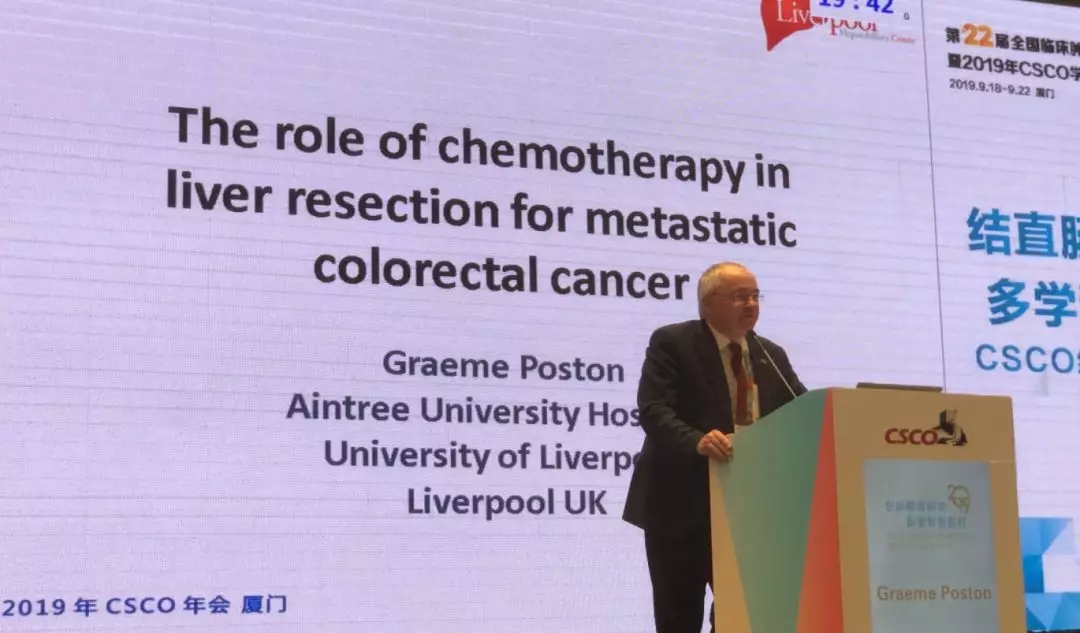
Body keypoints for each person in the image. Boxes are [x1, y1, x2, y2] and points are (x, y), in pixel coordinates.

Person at [622, 261, 807, 633]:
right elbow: (655, 410)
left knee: (747, 613)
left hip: (747, 507)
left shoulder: (770, 354)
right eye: (740, 297)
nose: (751, 305)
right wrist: (697, 441)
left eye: (755, 296)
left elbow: (801, 411)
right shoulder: (673, 343)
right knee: (679, 617)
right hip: (681, 504)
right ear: (707, 303)